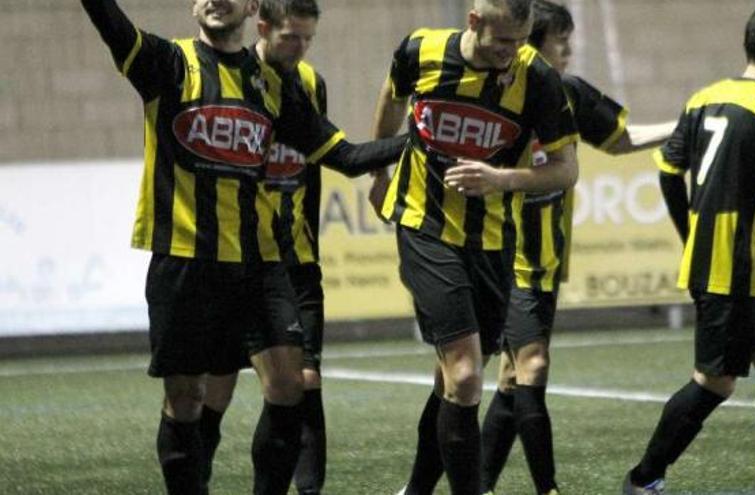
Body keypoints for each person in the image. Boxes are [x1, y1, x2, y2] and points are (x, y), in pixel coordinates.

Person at [81, 1, 404, 493]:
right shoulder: (168, 63)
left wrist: (418, 140)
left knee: (289, 385)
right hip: (185, 261)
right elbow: (110, 24)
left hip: (258, 264)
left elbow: (345, 156)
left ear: (252, 7)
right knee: (186, 400)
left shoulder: (272, 83)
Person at [621, 4, 755, 495]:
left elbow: (667, 170)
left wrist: (690, 231)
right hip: (734, 271)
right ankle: (643, 479)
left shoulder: (704, 98)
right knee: (714, 381)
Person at [369, 0, 579, 493]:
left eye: (521, 41)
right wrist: (378, 169)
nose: (512, 52)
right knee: (465, 375)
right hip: (425, 226)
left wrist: (501, 178)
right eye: (503, 41)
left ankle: (417, 489)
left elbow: (567, 170)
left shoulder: (538, 78)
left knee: (453, 380)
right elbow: (393, 96)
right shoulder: (421, 50)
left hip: (492, 241)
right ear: (474, 23)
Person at [475, 2, 676, 494]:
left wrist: (684, 124)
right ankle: (549, 489)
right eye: (560, 41)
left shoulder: (566, 94)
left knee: (510, 380)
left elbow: (621, 137)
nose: (568, 50)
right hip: (499, 257)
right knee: (532, 366)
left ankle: (475, 486)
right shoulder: (491, 94)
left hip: (543, 262)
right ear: (531, 45)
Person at [197, 1, 329, 495]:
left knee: (302, 381)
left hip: (295, 262)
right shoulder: (234, 80)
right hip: (237, 261)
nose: (298, 49)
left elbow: (316, 163)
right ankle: (194, 476)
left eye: (307, 39)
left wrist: (312, 245)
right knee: (216, 389)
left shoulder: (311, 84)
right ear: (264, 28)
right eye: (290, 37)